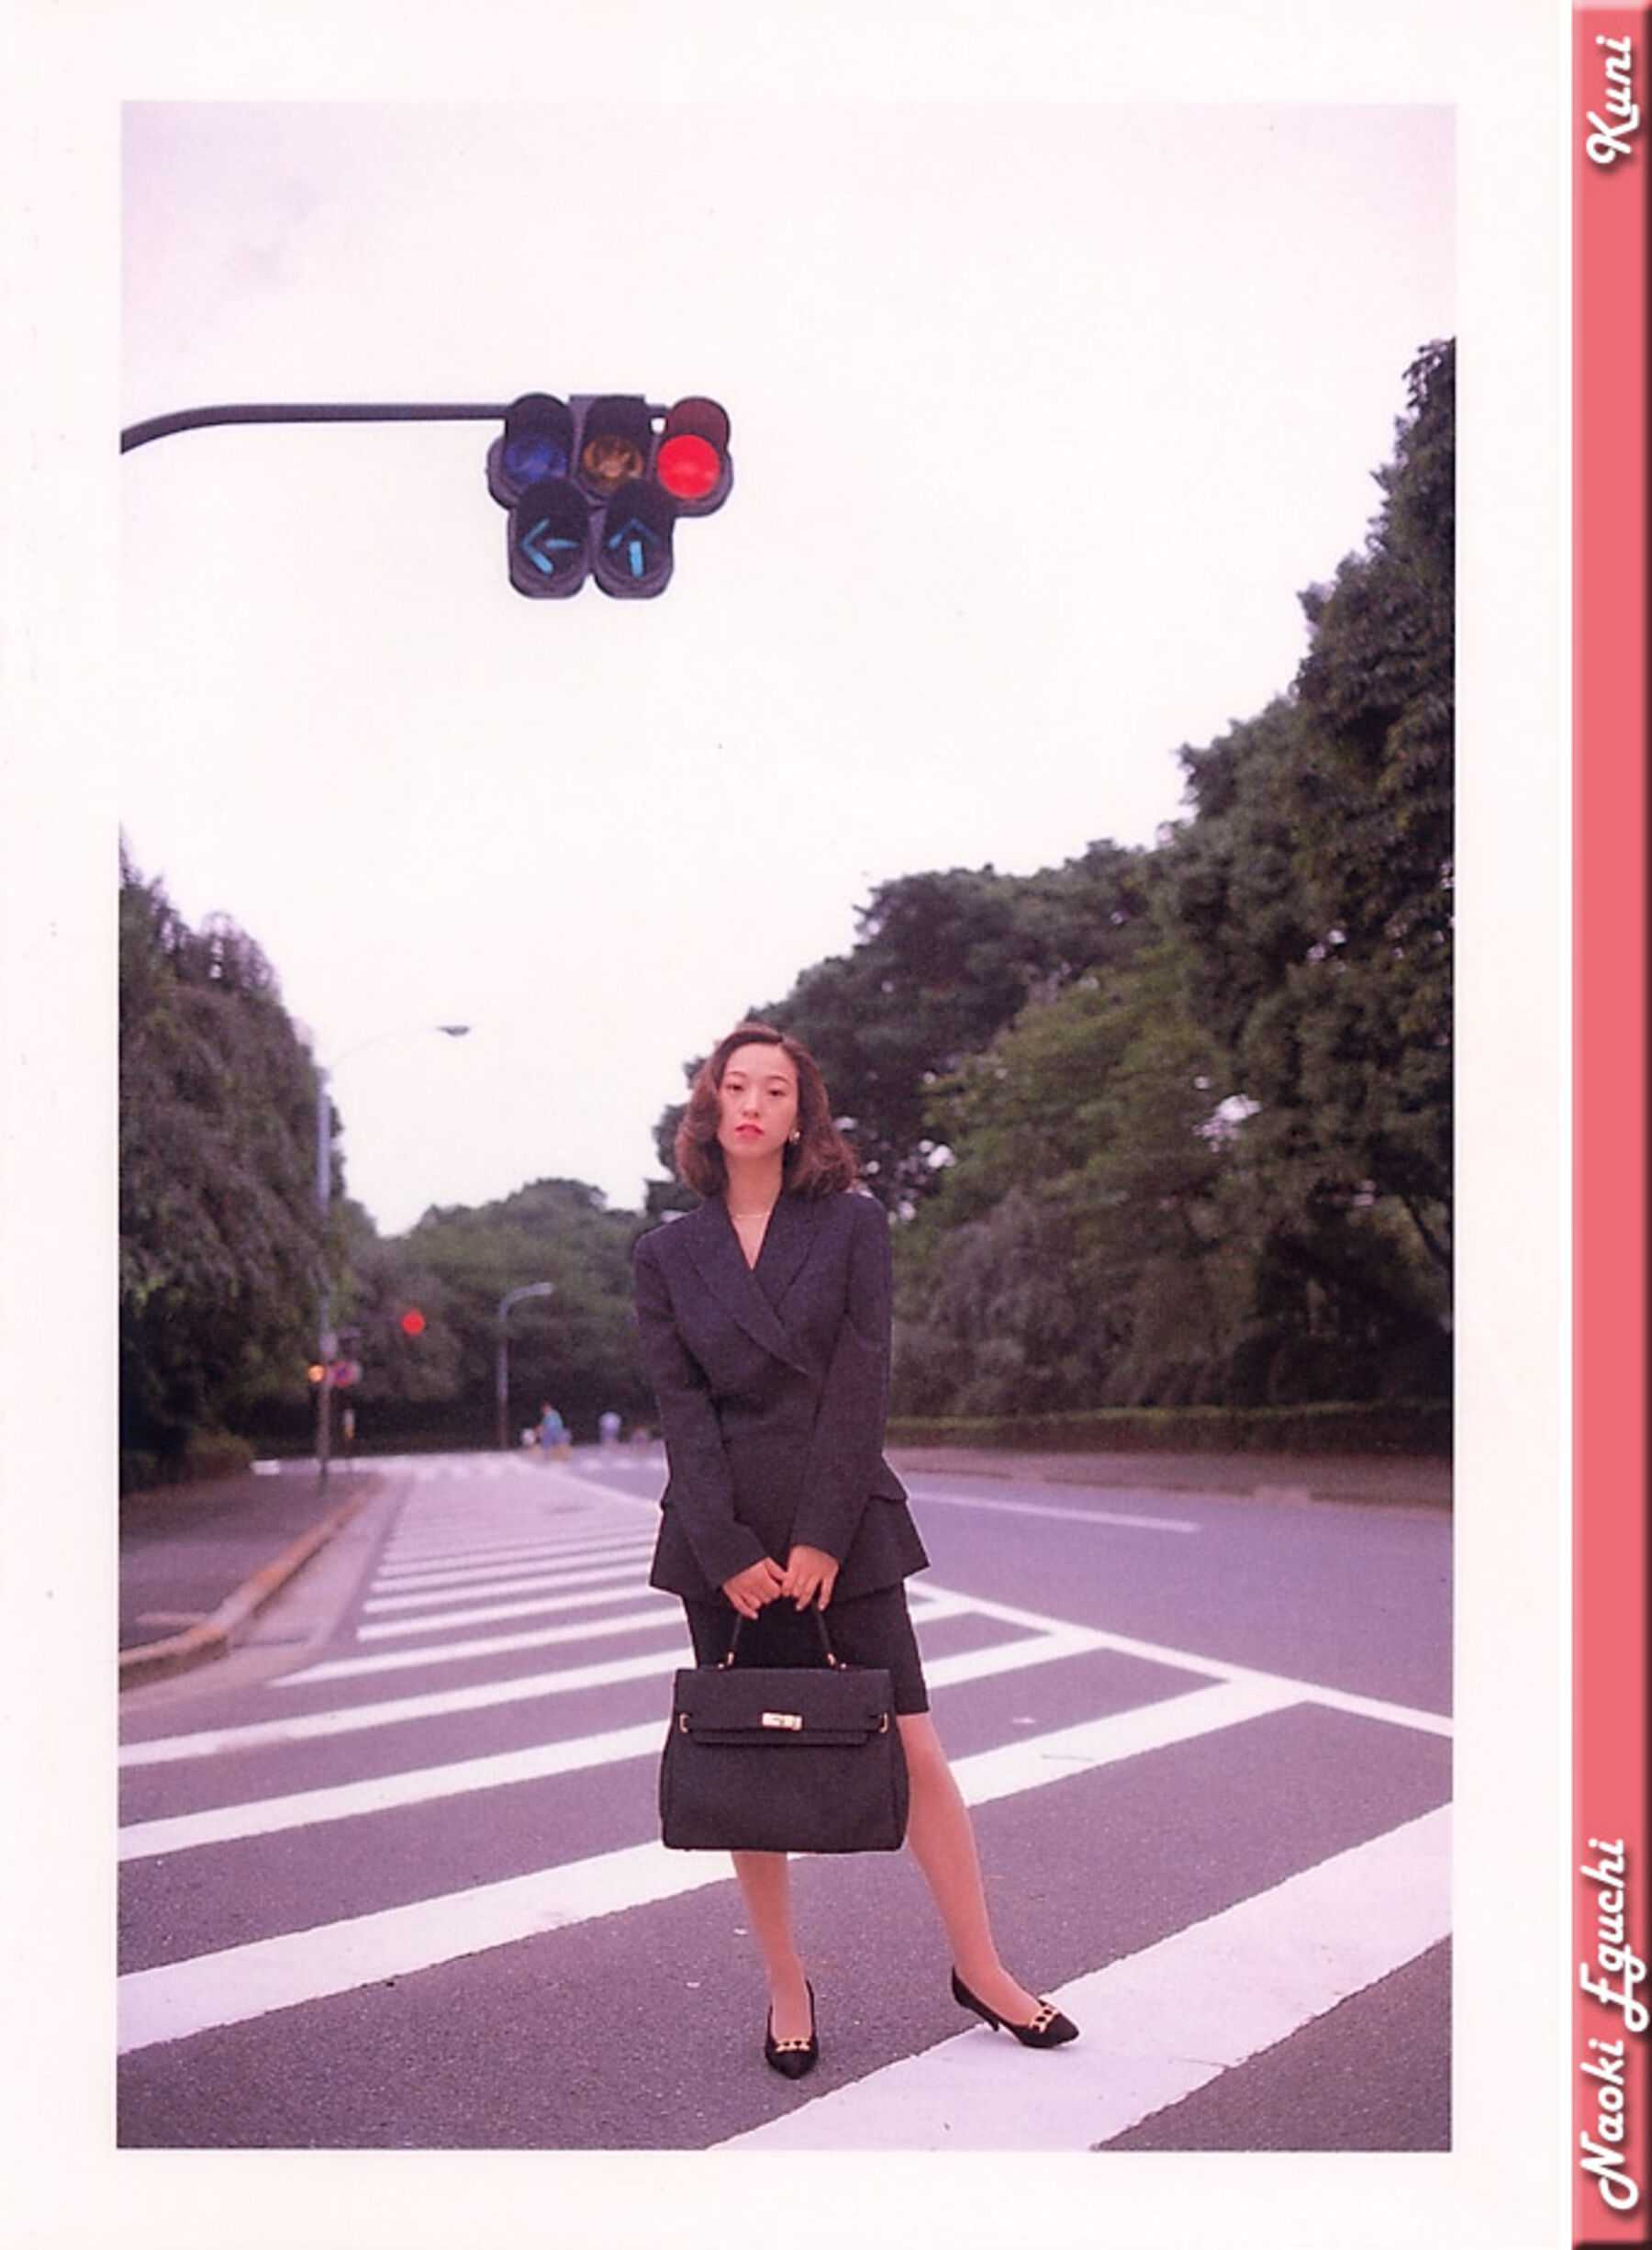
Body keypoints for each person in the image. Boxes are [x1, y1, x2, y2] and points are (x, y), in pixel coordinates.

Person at [631, 1021, 1077, 2079]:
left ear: (801, 1116)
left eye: (774, 1090)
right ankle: (787, 1983)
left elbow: (860, 1380)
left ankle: (981, 1968)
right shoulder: (665, 1254)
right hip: (721, 1544)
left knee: (914, 1747)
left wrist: (823, 1534)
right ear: (710, 1108)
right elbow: (680, 1411)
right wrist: (728, 1549)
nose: (752, 1104)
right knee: (744, 1757)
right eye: (735, 1087)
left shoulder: (852, 1224)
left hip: (846, 1526)